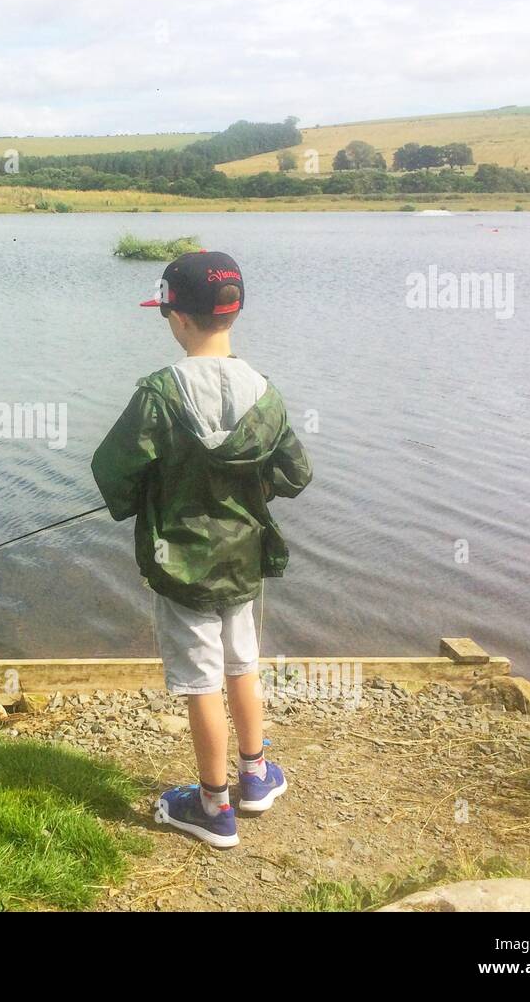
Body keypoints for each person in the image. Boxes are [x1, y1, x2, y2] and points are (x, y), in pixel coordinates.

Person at [91, 250, 312, 848]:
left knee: (200, 682)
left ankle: (213, 808)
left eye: (166, 312)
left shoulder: (160, 393)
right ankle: (257, 775)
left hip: (181, 563)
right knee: (242, 664)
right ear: (232, 313)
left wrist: (148, 492)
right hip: (243, 560)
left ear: (179, 319)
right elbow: (295, 475)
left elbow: (112, 471)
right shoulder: (265, 393)